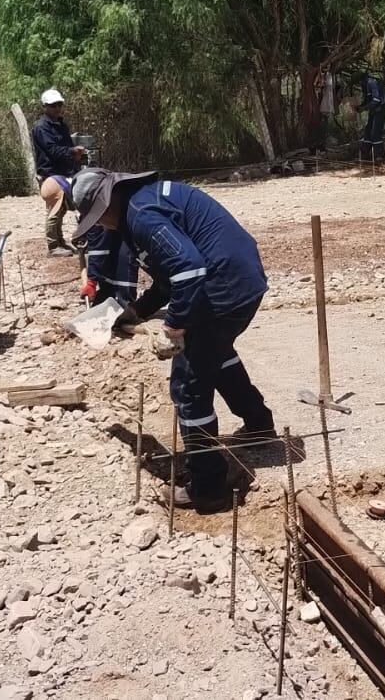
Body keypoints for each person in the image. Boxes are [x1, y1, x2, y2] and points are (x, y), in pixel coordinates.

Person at [69, 168, 276, 513]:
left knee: (189, 384)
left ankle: (209, 490)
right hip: (239, 278)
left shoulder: (141, 216)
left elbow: (190, 270)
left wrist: (175, 325)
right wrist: (140, 309)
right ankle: (258, 424)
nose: (101, 225)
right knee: (215, 352)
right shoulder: (143, 204)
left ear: (107, 203)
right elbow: (170, 276)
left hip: (223, 284)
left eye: (97, 218)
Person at [31, 89, 86, 257]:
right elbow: (53, 150)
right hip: (50, 175)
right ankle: (53, 246)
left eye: (59, 104)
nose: (57, 108)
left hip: (63, 173)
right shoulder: (41, 128)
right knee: (54, 211)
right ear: (45, 107)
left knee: (60, 210)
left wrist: (73, 156)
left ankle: (60, 241)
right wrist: (72, 152)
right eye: (53, 105)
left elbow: (63, 148)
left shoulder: (61, 125)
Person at [358, 73, 385, 165]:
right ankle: (365, 153)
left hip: (380, 109)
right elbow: (367, 100)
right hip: (373, 110)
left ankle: (379, 155)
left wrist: (365, 108)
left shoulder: (372, 83)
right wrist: (360, 106)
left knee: (375, 131)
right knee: (368, 130)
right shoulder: (365, 85)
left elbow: (376, 100)